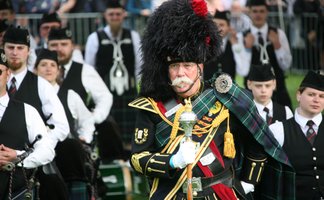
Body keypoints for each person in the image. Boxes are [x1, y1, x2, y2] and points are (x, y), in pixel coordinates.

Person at [129, 0, 295, 199]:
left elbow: (258, 143)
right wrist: (172, 161)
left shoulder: (224, 96)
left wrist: (248, 182)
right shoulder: (151, 107)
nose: (180, 72)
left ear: (200, 66)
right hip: (174, 194)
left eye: (187, 65)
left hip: (222, 193)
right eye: (174, 66)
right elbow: (138, 159)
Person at [3, 26, 70, 200]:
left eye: (20, 48)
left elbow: (61, 126)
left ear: (28, 52)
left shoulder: (41, 85)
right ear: (3, 48)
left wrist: (34, 152)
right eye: (11, 47)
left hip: (34, 166)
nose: (15, 52)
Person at [34, 48, 97, 199]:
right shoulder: (29, 95)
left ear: (58, 71)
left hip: (69, 159)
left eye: (52, 65)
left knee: (71, 146)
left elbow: (87, 120)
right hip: (38, 154)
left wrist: (85, 138)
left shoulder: (70, 95)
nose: (48, 68)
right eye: (43, 64)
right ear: (35, 70)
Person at [47, 28, 117, 161]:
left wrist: (94, 118)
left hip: (77, 138)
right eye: (54, 45)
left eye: (64, 44)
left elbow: (105, 97)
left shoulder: (84, 70)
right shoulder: (38, 71)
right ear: (47, 45)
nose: (59, 49)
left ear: (72, 46)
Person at [0, 49, 55, 199]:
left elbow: (47, 151)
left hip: (17, 192)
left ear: (8, 75)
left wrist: (17, 157)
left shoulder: (28, 111)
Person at [85, 0, 142, 145]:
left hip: (128, 93)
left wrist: (139, 91)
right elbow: (89, 68)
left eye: (118, 14)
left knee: (130, 132)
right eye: (111, 14)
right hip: (104, 93)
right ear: (105, 15)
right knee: (109, 132)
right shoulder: (94, 38)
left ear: (124, 15)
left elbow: (139, 66)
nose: (115, 17)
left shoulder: (133, 36)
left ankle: (129, 161)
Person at [269, 71, 324, 200]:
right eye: (311, 94)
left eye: (321, 96)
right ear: (299, 95)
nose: (316, 100)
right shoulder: (278, 130)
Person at [243, 0, 293, 109]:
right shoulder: (243, 36)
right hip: (252, 90)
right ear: (249, 13)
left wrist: (277, 45)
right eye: (255, 11)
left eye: (262, 11)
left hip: (277, 88)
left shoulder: (278, 33)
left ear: (267, 13)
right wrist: (247, 49)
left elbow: (286, 65)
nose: (258, 14)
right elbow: (242, 70)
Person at [204, 10, 249, 80]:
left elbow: (243, 71)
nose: (217, 28)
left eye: (221, 25)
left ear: (229, 27)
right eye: (214, 24)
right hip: (208, 89)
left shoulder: (235, 44)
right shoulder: (205, 44)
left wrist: (235, 46)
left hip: (229, 89)